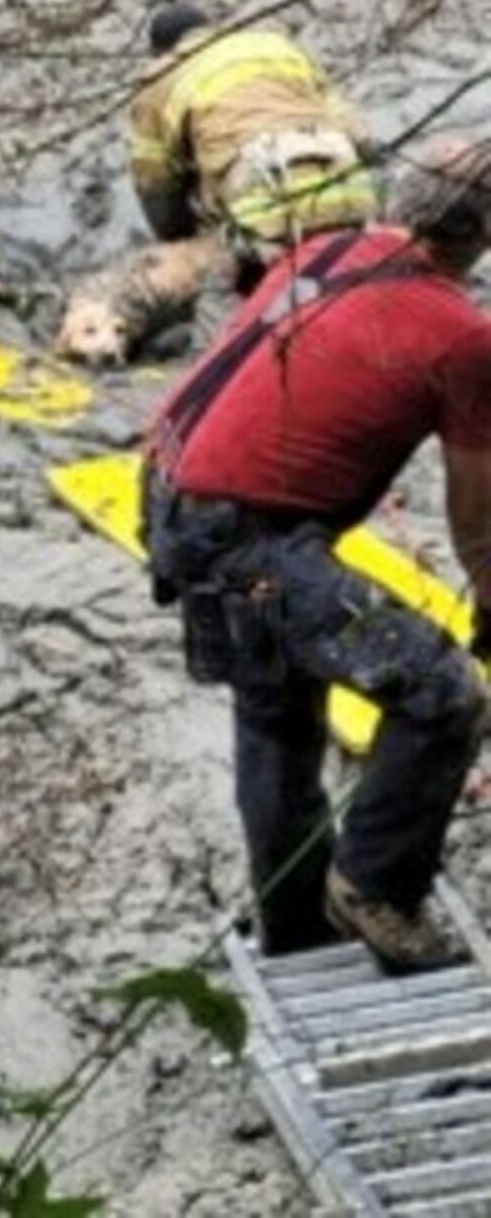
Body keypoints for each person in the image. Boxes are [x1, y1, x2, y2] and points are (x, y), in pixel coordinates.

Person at [140, 134, 491, 972]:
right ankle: (375, 888)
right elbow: (479, 509)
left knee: (279, 719)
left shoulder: (330, 246)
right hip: (248, 535)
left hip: (172, 491)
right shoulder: (462, 335)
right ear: (479, 239)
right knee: (444, 695)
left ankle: (296, 933)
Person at [129, 0, 378, 291]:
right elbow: (356, 130)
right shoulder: (276, 46)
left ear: (161, 52)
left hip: (262, 204)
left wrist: (180, 242)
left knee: (245, 290)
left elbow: (155, 186)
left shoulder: (158, 81)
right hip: (346, 180)